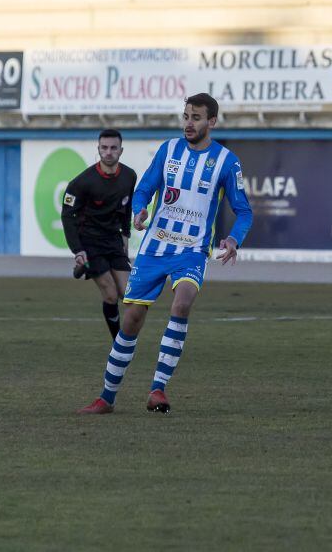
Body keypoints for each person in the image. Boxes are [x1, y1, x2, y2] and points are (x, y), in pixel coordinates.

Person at [78, 93, 253, 415]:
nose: (189, 122)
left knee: (182, 302)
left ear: (211, 122)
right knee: (130, 320)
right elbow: (145, 187)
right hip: (155, 247)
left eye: (196, 117)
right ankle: (106, 397)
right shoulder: (168, 150)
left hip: (192, 249)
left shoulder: (227, 162)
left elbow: (244, 212)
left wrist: (233, 239)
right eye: (186, 116)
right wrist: (141, 209)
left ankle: (158, 389)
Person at [60, 129, 138, 340]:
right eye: (104, 148)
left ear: (121, 150)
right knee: (111, 294)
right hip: (90, 241)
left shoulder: (130, 176)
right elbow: (67, 216)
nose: (109, 152)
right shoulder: (81, 182)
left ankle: (84, 270)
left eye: (113, 148)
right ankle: (119, 344)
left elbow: (126, 208)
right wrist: (78, 249)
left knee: (129, 295)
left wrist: (125, 240)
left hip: (113, 240)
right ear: (98, 149)